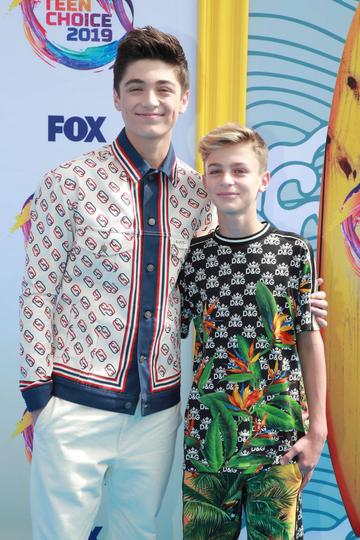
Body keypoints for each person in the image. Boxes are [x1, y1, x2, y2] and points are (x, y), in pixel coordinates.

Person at [18, 27, 327, 540]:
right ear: (116, 96)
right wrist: (40, 398)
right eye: (135, 87)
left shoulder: (198, 193)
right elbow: (37, 291)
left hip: (158, 412)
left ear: (184, 98)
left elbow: (226, 276)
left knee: (137, 531)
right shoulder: (66, 182)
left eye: (163, 88)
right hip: (72, 401)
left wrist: (303, 302)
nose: (149, 100)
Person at [179, 123, 327, 540]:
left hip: (279, 437)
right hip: (210, 437)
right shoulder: (192, 257)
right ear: (204, 178)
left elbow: (308, 339)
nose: (227, 180)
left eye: (240, 170)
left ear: (263, 180)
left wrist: (318, 431)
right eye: (216, 170)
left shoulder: (294, 251)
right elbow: (170, 336)